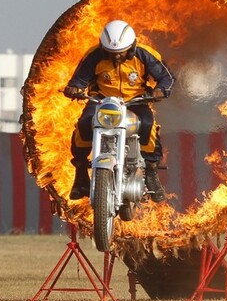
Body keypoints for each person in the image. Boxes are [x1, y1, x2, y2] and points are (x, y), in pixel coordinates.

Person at [63, 20, 175, 203]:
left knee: (148, 124)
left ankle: (152, 173)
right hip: (102, 100)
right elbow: (79, 79)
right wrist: (74, 88)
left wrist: (160, 90)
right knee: (84, 124)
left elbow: (167, 77)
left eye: (121, 53)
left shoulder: (145, 54)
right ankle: (81, 175)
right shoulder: (94, 56)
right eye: (111, 53)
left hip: (136, 100)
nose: (116, 57)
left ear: (131, 47)